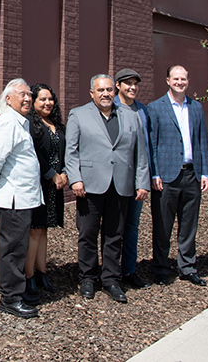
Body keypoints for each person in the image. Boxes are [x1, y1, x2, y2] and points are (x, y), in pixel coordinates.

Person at [64, 74, 149, 303]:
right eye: (100, 90)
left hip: (121, 185)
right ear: (92, 93)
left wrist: (142, 182)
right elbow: (71, 151)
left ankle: (111, 278)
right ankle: (88, 278)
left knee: (114, 235)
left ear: (115, 91)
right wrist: (75, 179)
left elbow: (140, 153)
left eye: (109, 90)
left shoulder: (131, 117)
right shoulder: (79, 114)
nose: (105, 94)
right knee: (88, 234)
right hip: (89, 185)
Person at [0, 78, 42, 318]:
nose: (28, 98)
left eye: (29, 94)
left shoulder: (20, 123)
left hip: (23, 198)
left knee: (18, 248)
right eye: (22, 94)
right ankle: (10, 299)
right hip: (14, 200)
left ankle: (16, 292)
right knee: (13, 250)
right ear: (8, 99)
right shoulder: (8, 122)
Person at [147, 65, 208, 286]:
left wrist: (204, 172)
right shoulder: (154, 108)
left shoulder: (196, 107)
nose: (180, 82)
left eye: (183, 78)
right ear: (167, 80)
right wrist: (154, 174)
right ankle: (161, 269)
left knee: (189, 225)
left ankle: (187, 268)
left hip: (191, 174)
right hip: (166, 176)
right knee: (162, 226)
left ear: (188, 81)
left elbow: (201, 141)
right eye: (176, 78)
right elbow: (151, 145)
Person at [23, 83, 68, 305]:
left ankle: (42, 273)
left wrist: (65, 173)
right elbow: (35, 154)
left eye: (50, 99)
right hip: (39, 184)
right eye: (42, 99)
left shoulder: (56, 124)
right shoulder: (31, 124)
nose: (48, 103)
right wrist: (52, 174)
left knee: (44, 231)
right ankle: (29, 276)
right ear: (33, 101)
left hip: (55, 186)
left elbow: (66, 151)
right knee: (34, 231)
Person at [114, 68, 150, 288]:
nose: (132, 87)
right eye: (127, 83)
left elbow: (146, 148)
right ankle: (109, 270)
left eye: (135, 84)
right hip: (114, 179)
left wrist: (144, 180)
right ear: (118, 85)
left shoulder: (143, 110)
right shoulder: (110, 109)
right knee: (112, 227)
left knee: (132, 227)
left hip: (137, 179)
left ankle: (129, 270)